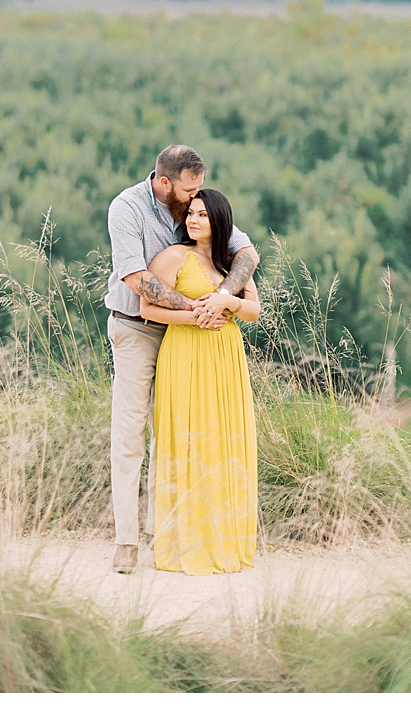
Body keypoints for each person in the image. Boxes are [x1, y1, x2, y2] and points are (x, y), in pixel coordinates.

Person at [104, 145, 259, 574]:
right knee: (131, 431)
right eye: (189, 189)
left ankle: (165, 530)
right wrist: (200, 311)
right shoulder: (127, 208)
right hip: (137, 327)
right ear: (165, 182)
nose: (195, 199)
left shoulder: (195, 205)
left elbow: (247, 253)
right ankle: (126, 541)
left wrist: (225, 296)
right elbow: (137, 280)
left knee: (175, 431)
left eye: (199, 192)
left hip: (190, 338)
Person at [141, 189, 259, 575]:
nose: (193, 220)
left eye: (203, 215)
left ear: (219, 221)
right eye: (191, 214)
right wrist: (196, 317)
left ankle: (225, 540)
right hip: (184, 353)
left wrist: (228, 303)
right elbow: (147, 307)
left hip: (225, 355)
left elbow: (254, 310)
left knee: (225, 441)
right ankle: (184, 543)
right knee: (188, 438)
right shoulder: (174, 257)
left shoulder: (231, 262)